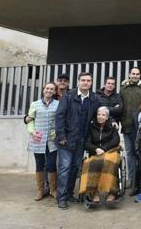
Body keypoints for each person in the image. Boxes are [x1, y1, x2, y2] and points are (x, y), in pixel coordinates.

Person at [55, 72, 99, 210]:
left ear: (91, 82)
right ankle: (61, 198)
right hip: (66, 139)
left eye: (89, 80)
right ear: (78, 81)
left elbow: (99, 115)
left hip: (81, 140)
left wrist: (112, 121)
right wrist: (61, 136)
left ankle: (68, 194)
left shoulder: (93, 98)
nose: (86, 82)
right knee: (64, 169)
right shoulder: (69, 96)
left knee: (75, 168)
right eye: (83, 80)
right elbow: (59, 116)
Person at [78, 106, 120, 203]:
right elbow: (87, 143)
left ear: (107, 117)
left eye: (103, 115)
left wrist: (103, 148)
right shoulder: (92, 126)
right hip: (96, 152)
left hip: (110, 151)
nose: (100, 117)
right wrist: (96, 149)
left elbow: (116, 140)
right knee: (91, 163)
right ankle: (94, 192)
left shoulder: (112, 126)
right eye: (99, 114)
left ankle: (112, 192)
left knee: (109, 163)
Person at [27, 82, 59, 200]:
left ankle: (53, 190)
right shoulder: (34, 104)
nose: (49, 91)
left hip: (51, 139)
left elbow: (59, 120)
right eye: (47, 88)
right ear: (43, 90)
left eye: (52, 89)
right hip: (38, 139)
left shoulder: (58, 104)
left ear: (55, 92)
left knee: (51, 164)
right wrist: (32, 132)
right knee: (39, 164)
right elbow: (30, 120)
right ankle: (40, 190)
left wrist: (57, 132)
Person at [121, 67, 141, 195]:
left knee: (140, 154)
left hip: (140, 126)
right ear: (129, 75)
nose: (135, 76)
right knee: (129, 153)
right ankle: (131, 179)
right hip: (127, 125)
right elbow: (120, 105)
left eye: (137, 74)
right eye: (133, 74)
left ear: (140, 76)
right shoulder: (123, 89)